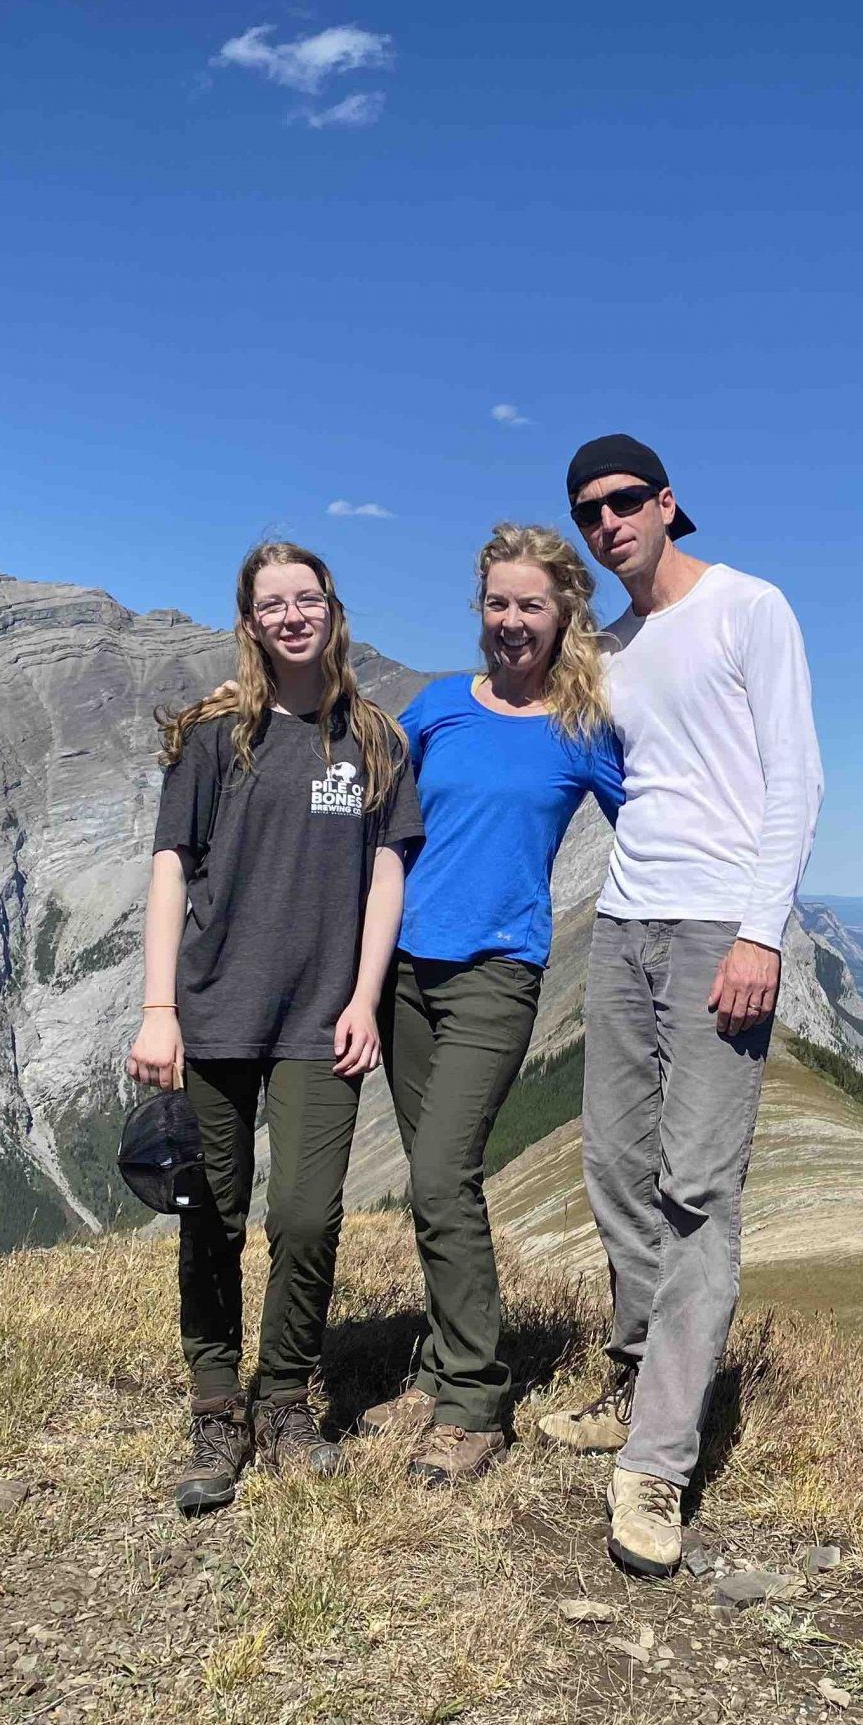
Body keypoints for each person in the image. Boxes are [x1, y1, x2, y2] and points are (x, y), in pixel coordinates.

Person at [534, 434, 823, 1578]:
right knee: (616, 1166)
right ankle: (631, 1376)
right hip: (622, 926)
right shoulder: (609, 649)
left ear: (665, 503)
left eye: (621, 503)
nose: (605, 524)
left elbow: (795, 775)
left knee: (698, 1188)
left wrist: (762, 930)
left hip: (717, 931)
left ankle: (657, 1462)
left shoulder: (751, 608)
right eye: (585, 511)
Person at [126, 540, 421, 1518]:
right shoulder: (215, 732)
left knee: (304, 1216)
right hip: (212, 1009)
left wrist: (361, 998)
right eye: (272, 604)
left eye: (307, 598)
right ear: (250, 622)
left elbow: (388, 873)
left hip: (320, 1019)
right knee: (210, 1213)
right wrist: (158, 1008)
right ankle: (219, 1408)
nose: (292, 616)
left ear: (331, 609)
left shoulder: (372, 737)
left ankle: (286, 1399)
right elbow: (173, 864)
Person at [353, 525, 625, 1487]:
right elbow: (376, 820)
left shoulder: (582, 733)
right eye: (498, 603)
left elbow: (656, 821)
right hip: (403, 978)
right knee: (442, 1190)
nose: (512, 622)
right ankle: (436, 1367)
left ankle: (474, 1400)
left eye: (532, 606)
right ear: (481, 608)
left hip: (497, 977)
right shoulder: (433, 709)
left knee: (440, 1177)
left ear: (564, 617)